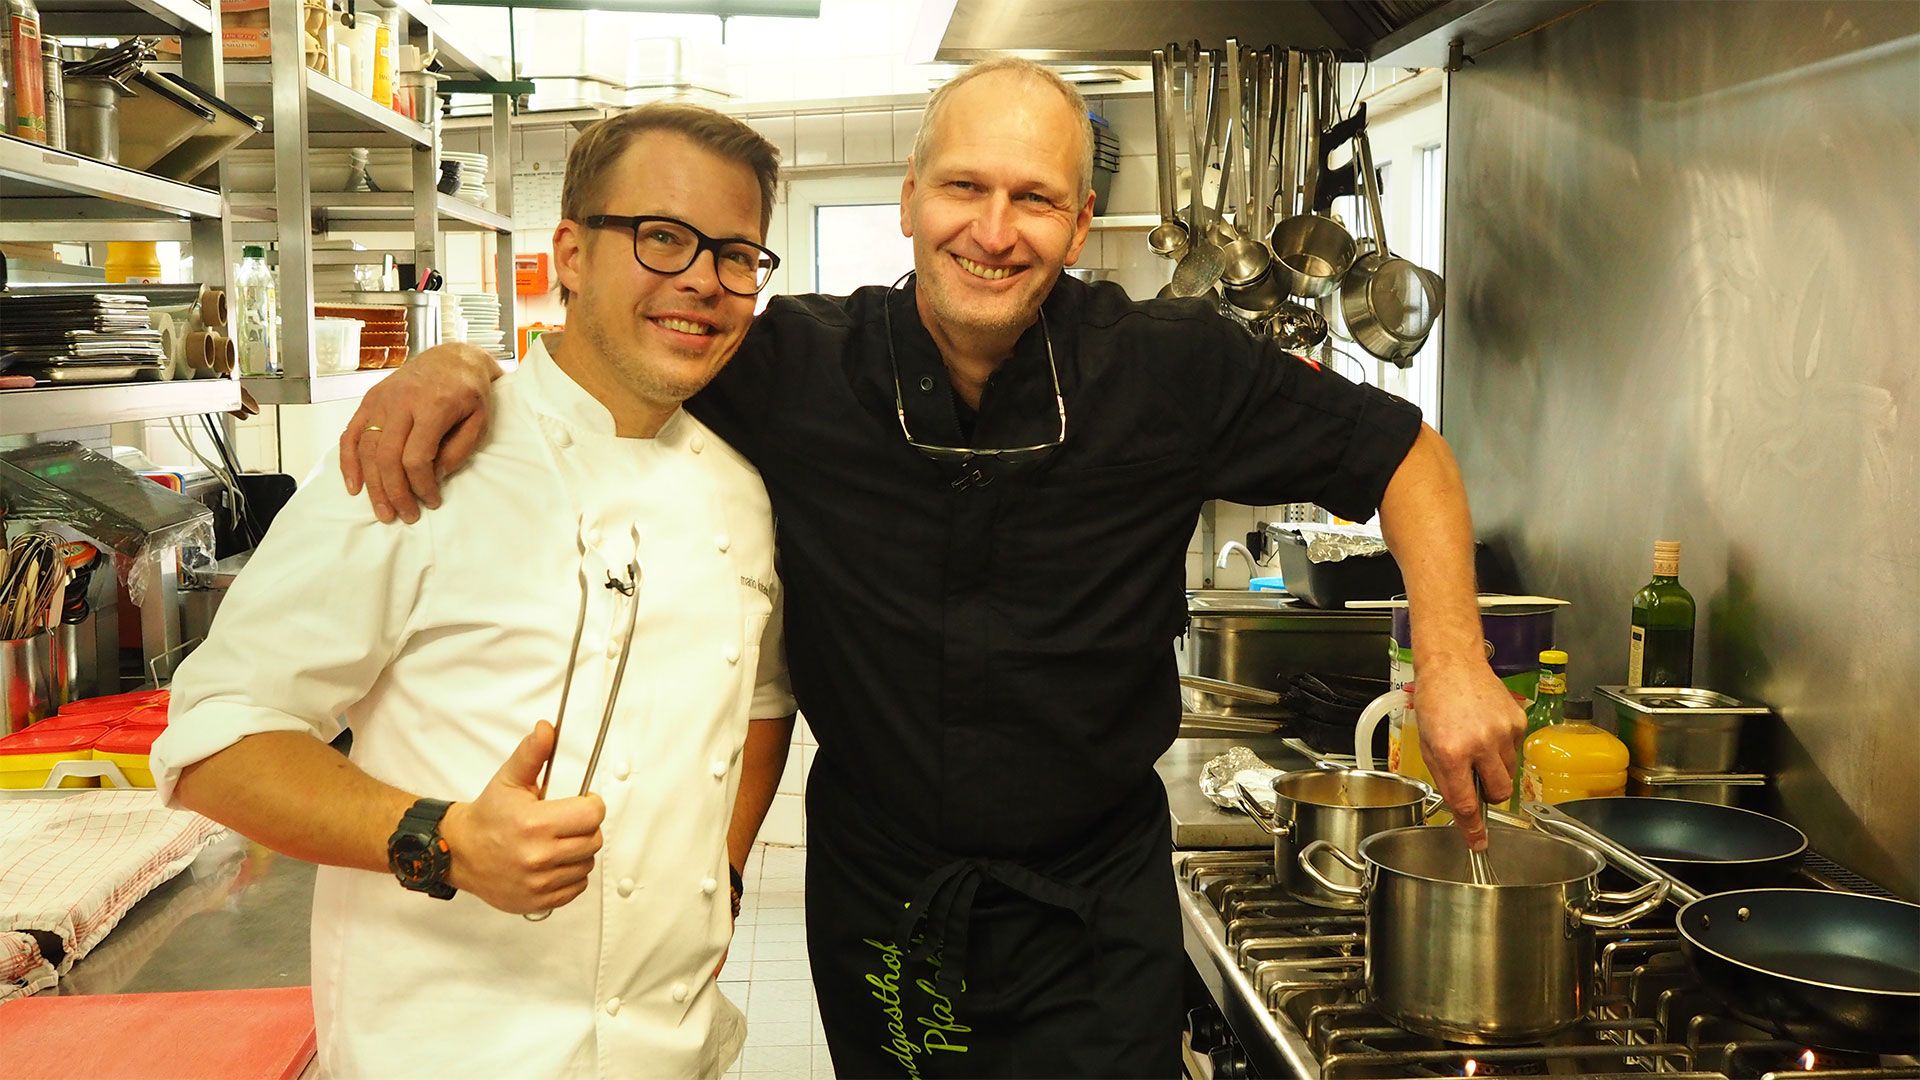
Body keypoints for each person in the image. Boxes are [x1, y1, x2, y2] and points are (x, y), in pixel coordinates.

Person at [339, 61, 1523, 1078]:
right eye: (964, 187)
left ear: (1080, 218)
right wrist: (457, 366)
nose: (994, 230)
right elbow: (617, 347)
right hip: (884, 890)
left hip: (1093, 898)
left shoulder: (1174, 369)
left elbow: (1404, 453)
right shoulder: (792, 362)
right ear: (909, 201)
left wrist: (1454, 661)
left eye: (1035, 200)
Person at [149, 103, 798, 1078]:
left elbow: (758, 703)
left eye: (737, 253)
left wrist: (729, 873)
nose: (703, 280)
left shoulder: (741, 493)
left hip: (673, 1057)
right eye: (661, 238)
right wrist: (440, 838)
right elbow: (214, 734)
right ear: (571, 254)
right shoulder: (422, 455)